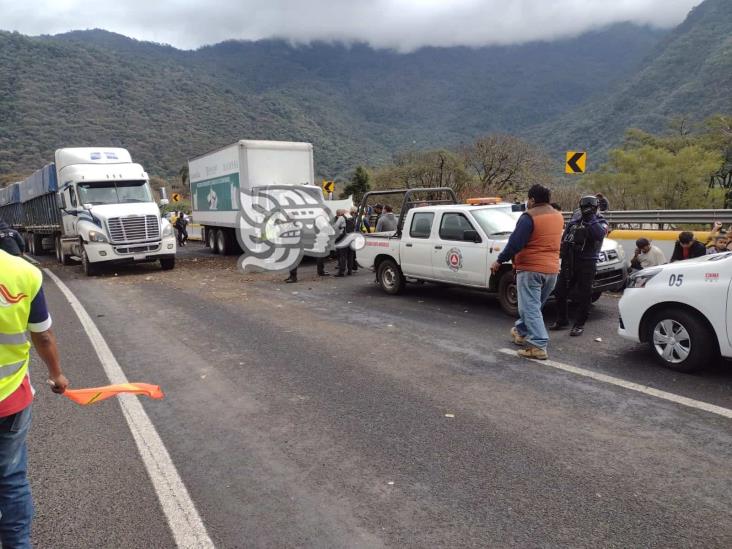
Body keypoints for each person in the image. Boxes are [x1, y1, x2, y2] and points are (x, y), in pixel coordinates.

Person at [0, 249, 69, 547]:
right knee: (11, 479)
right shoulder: (23, 272)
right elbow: (43, 336)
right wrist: (57, 375)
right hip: (10, 399)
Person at [490, 184, 564, 360]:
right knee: (534, 306)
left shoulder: (528, 217)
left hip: (531, 269)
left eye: (528, 199)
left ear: (531, 199)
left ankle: (538, 345)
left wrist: (499, 260)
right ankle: (521, 331)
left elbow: (515, 243)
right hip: (552, 270)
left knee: (529, 308)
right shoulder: (558, 216)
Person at [549, 195, 609, 337]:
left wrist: (590, 219)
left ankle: (579, 324)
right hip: (570, 261)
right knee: (560, 291)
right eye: (583, 208)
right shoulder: (575, 219)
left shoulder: (601, 221)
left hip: (587, 262)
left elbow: (599, 235)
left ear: (595, 208)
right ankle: (562, 319)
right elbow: (565, 237)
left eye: (589, 208)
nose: (585, 210)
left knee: (584, 294)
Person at [333, 209, 348, 277]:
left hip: (341, 238)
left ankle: (341, 272)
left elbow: (335, 226)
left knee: (342, 256)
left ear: (338, 213)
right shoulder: (346, 217)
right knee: (344, 255)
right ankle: (343, 270)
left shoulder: (340, 218)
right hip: (345, 237)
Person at [347, 208, 358, 273]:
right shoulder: (358, 218)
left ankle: (352, 268)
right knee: (353, 254)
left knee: (351, 254)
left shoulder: (351, 219)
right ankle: (354, 267)